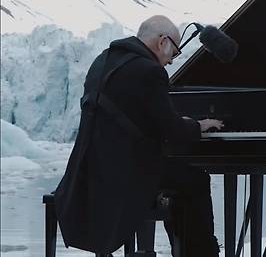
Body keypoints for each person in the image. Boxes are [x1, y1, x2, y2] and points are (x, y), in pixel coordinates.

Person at [55, 15, 228, 256]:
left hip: (89, 170)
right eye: (174, 52)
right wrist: (198, 126)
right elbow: (173, 131)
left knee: (177, 176)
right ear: (162, 42)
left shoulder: (102, 61)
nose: (170, 61)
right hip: (122, 175)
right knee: (195, 180)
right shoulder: (149, 71)